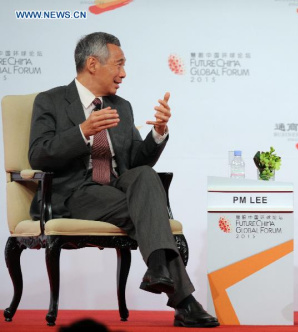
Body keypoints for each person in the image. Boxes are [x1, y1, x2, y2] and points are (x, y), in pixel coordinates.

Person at [28, 32, 219, 328]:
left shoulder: (122, 106)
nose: (123, 73)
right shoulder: (50, 101)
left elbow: (136, 164)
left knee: (145, 175)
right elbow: (38, 155)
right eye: (118, 64)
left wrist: (158, 133)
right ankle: (182, 299)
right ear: (93, 64)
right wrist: (82, 132)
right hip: (75, 193)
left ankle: (159, 271)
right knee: (149, 210)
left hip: (116, 188)